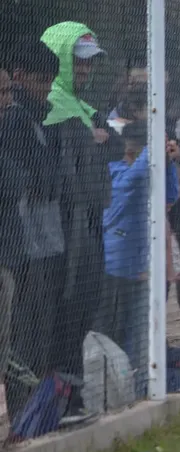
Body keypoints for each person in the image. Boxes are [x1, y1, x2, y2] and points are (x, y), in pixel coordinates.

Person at [40, 21, 115, 421]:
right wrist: (93, 139)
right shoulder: (53, 107)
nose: (85, 71)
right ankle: (56, 401)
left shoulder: (87, 108)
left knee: (84, 309)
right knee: (61, 317)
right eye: (78, 63)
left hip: (90, 227)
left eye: (89, 64)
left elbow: (114, 142)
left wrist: (102, 138)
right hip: (64, 234)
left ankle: (72, 396)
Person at [0, 39, 62, 426]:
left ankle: (22, 414)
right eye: (3, 92)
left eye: (9, 89)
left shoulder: (18, 122)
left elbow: (22, 181)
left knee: (9, 340)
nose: (8, 98)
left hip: (9, 252)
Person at [99, 122, 180, 383]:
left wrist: (167, 164)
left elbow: (171, 195)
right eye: (132, 154)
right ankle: (113, 386)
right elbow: (131, 183)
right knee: (113, 335)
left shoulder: (149, 169)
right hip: (115, 272)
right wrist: (153, 151)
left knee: (141, 334)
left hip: (143, 268)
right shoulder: (115, 172)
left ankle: (142, 383)